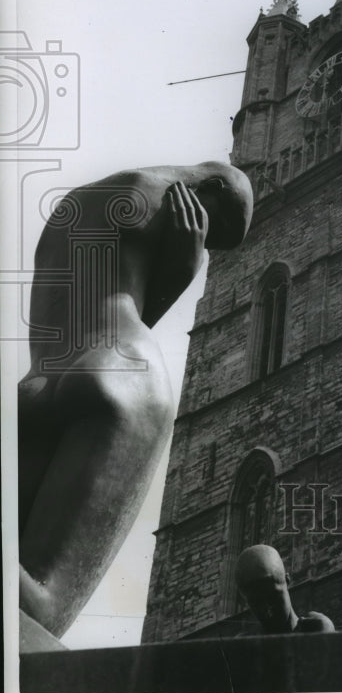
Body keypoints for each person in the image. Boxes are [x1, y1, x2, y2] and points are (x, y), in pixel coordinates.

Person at [18, 162, 253, 641]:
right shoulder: (177, 223)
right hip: (124, 375)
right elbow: (129, 330)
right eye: (209, 231)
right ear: (206, 190)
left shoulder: (85, 197)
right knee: (42, 606)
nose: (202, 241)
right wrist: (180, 275)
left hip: (37, 381)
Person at [234, 545, 335, 634]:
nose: (268, 610)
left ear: (287, 581)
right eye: (257, 602)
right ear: (245, 601)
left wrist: (328, 641)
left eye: (273, 596)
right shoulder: (247, 649)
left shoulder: (318, 630)